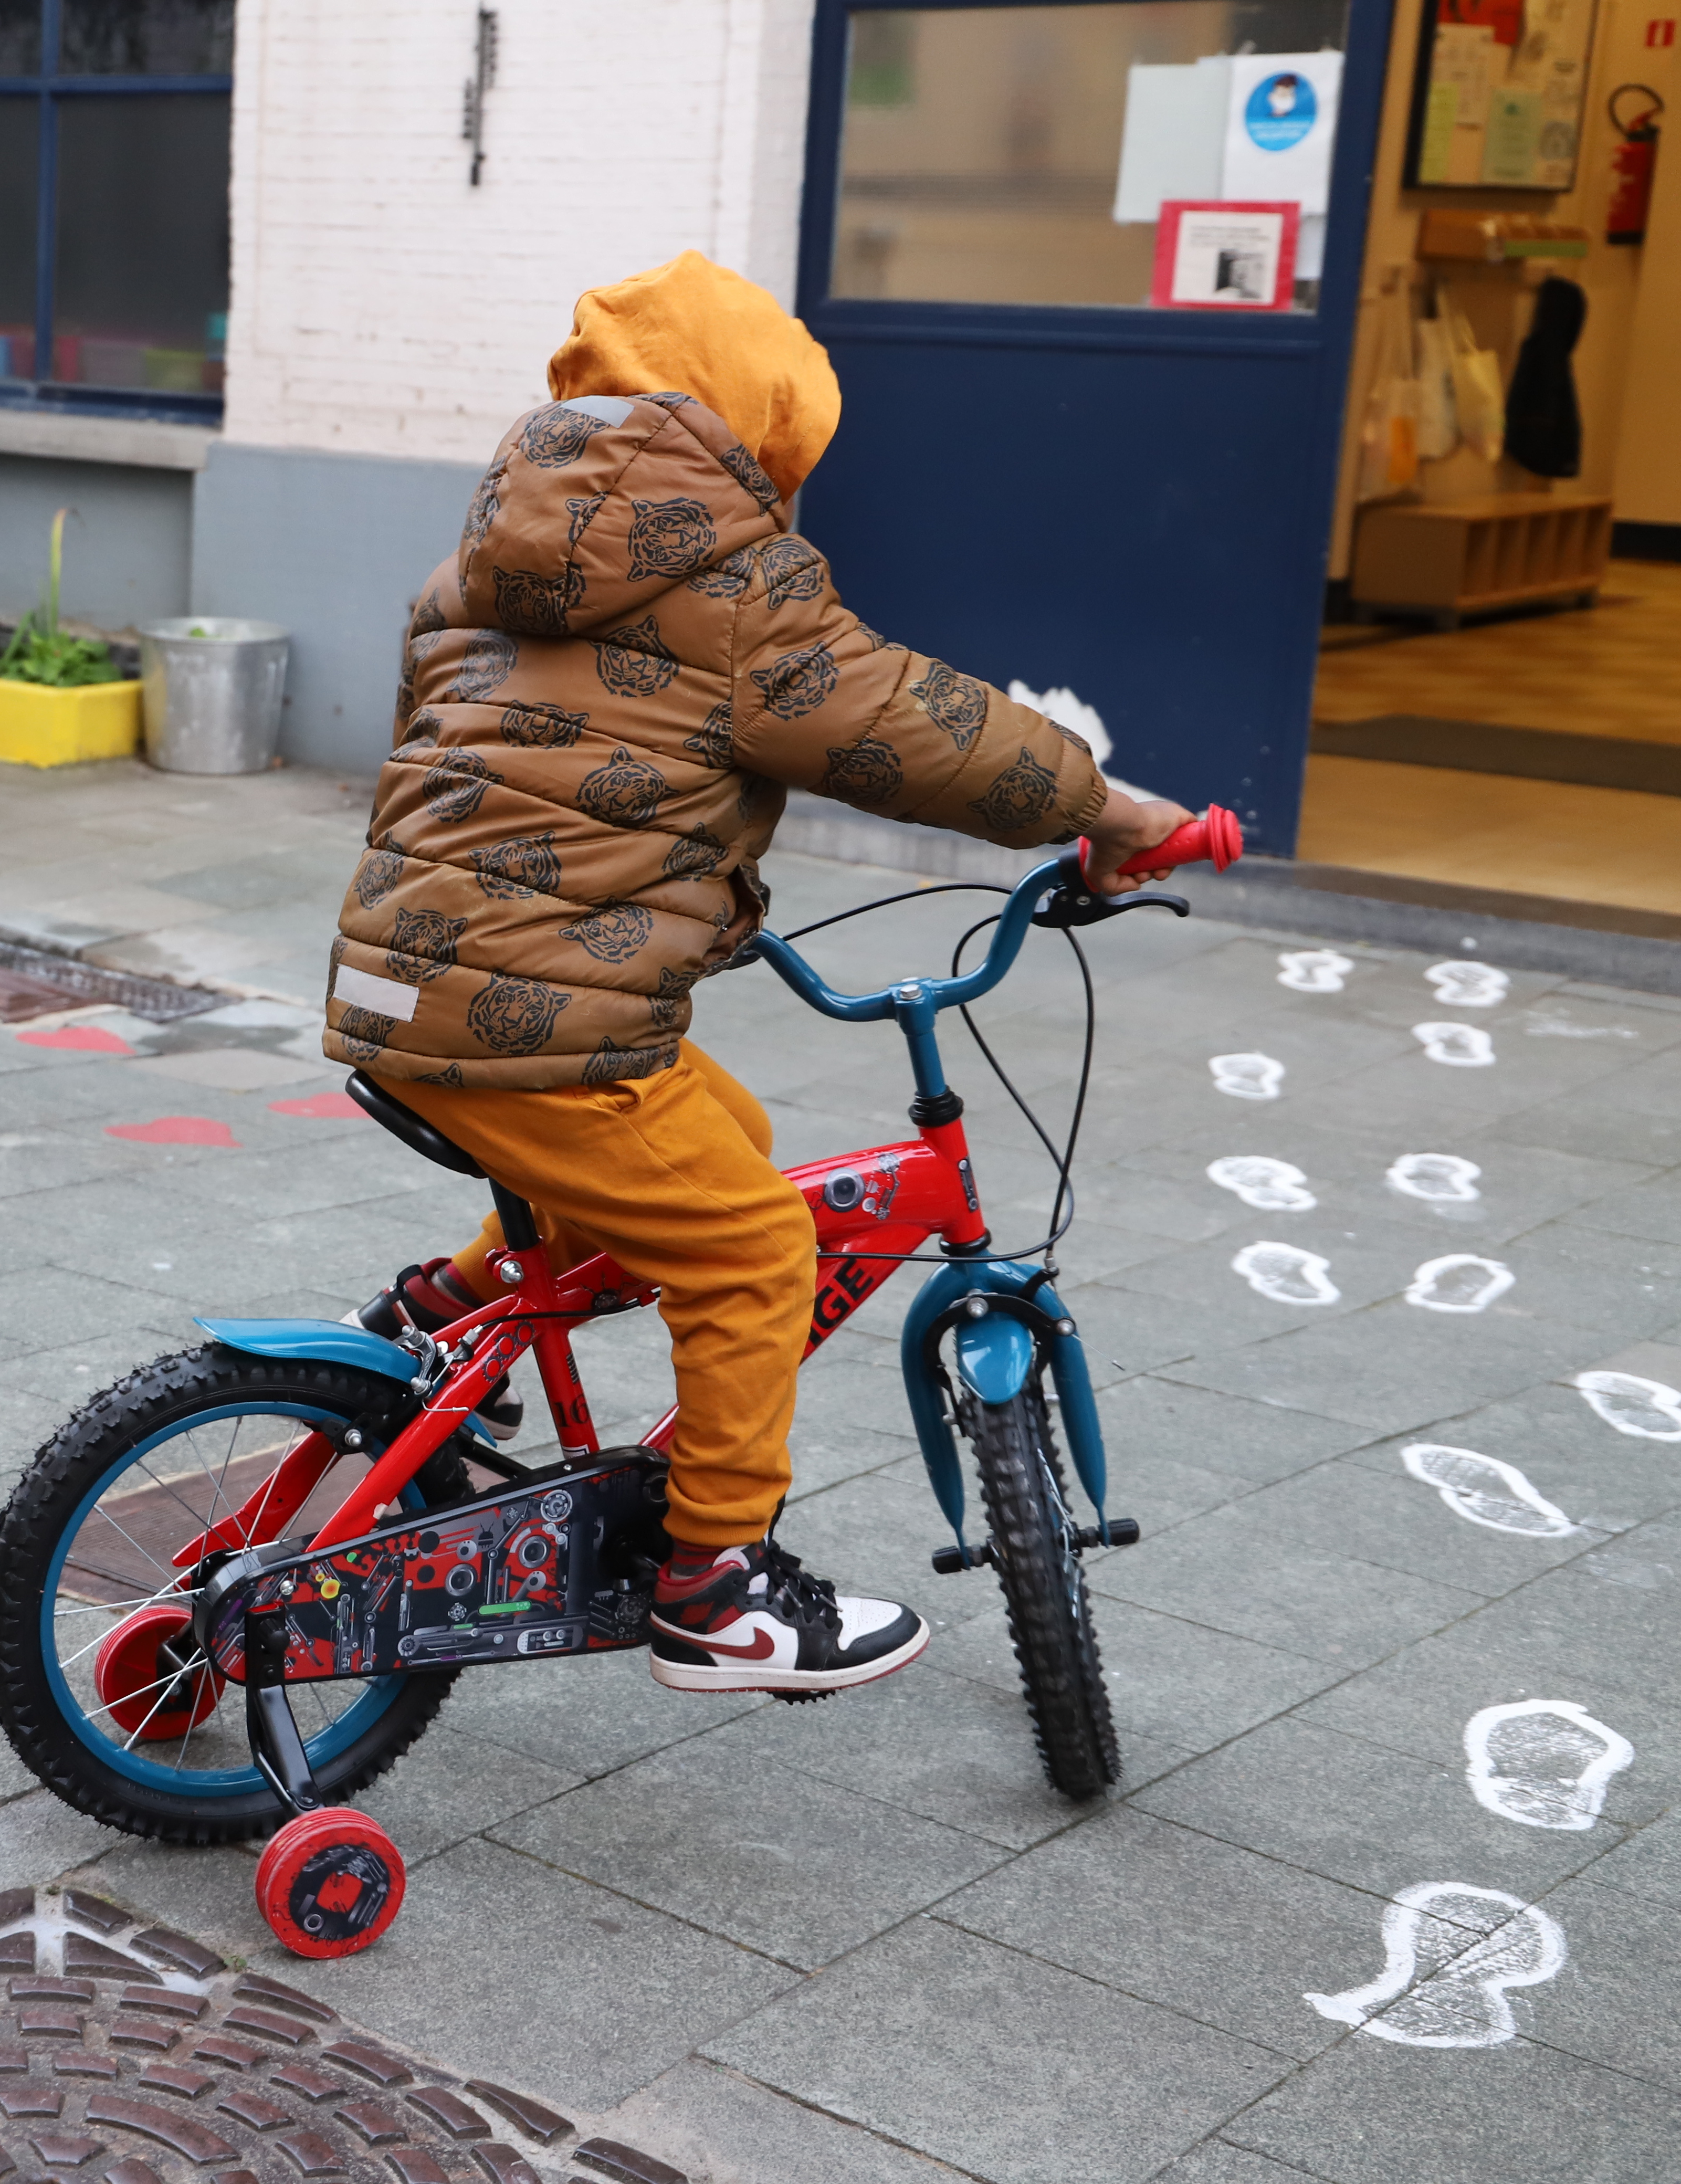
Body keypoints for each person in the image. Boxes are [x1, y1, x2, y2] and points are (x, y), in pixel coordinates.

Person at [325, 253, 1194, 1699]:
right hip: (545, 1020)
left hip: (409, 986)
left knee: (720, 1136)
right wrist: (1110, 809)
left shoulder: (474, 561)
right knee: (752, 1247)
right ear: (755, 426)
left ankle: (448, 1305)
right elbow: (918, 729)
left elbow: (459, 752)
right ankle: (718, 1590)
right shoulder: (735, 587)